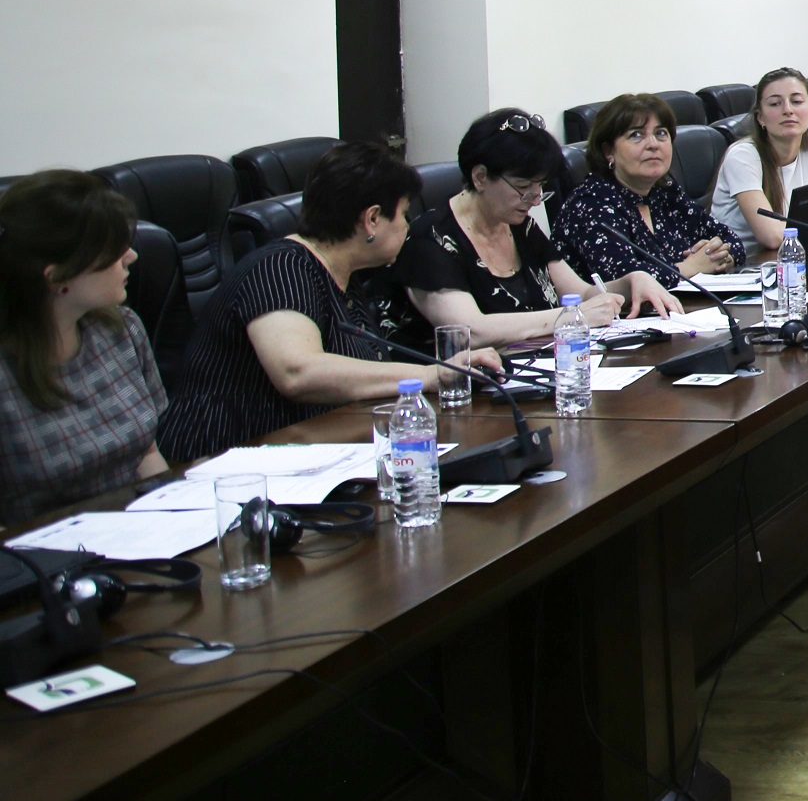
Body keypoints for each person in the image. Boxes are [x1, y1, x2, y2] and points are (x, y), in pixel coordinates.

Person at [158, 144, 502, 461]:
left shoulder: (346, 276)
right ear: (372, 219)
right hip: (224, 461)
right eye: (402, 215)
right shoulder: (280, 268)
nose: (407, 227)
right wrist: (429, 375)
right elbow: (298, 372)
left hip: (308, 451)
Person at [396, 109, 680, 347]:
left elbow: (580, 294)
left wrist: (631, 282)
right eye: (523, 187)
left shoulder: (518, 225)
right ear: (480, 177)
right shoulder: (429, 241)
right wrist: (570, 318)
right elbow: (469, 331)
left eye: (541, 187)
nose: (534, 200)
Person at [0, 173, 169, 523]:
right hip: (42, 548)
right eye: (113, 252)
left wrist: (175, 514)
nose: (132, 256)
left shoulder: (123, 329)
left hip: (138, 530)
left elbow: (146, 454)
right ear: (58, 277)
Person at [553, 93, 743, 283]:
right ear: (608, 152)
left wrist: (719, 257)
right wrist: (690, 267)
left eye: (661, 133)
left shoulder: (665, 193)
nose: (653, 144)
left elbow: (732, 239)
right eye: (636, 135)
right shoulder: (590, 204)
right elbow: (624, 279)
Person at [713, 68, 808, 251]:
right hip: (747, 262)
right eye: (775, 104)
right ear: (760, 117)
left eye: (796, 101)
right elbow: (771, 236)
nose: (788, 110)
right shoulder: (742, 156)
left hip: (795, 254)